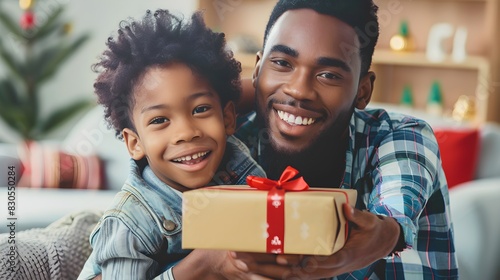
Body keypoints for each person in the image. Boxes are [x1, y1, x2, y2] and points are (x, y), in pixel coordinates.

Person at [172, 0, 459, 279]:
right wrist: (206, 265)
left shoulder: (398, 135)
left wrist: (383, 235)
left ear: (363, 91)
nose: (299, 90)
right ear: (257, 69)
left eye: (328, 75)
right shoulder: (222, 142)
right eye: (282, 63)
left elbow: (394, 213)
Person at [77, 9, 265, 280]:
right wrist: (201, 267)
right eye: (160, 120)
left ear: (227, 118)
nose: (186, 133)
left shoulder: (238, 166)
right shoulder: (132, 221)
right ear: (134, 143)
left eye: (200, 109)